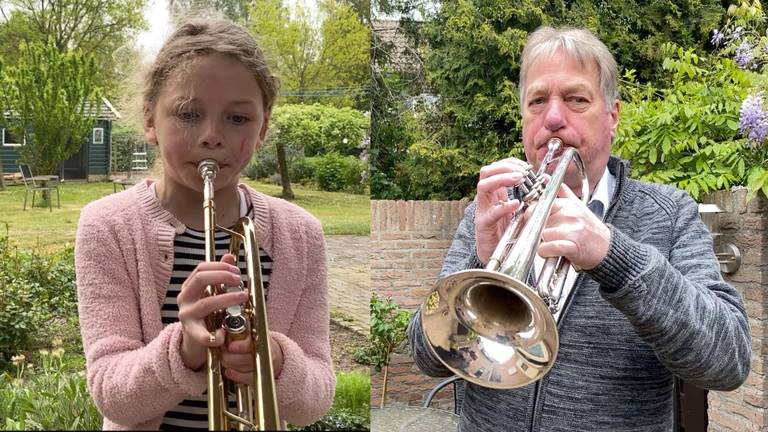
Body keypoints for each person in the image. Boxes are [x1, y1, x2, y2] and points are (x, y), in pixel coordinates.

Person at [408, 26, 751, 431]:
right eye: (537, 101)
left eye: (576, 99)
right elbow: (426, 355)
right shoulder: (493, 209)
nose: (553, 118)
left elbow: (729, 360)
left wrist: (615, 257)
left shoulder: (669, 214)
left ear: (613, 116)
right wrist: (480, 262)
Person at [75, 17, 334, 430]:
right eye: (188, 113)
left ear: (263, 126)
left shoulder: (300, 234)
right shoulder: (107, 226)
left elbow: (316, 397)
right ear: (149, 120)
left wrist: (276, 360)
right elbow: (111, 394)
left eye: (237, 119)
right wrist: (187, 348)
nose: (212, 136)